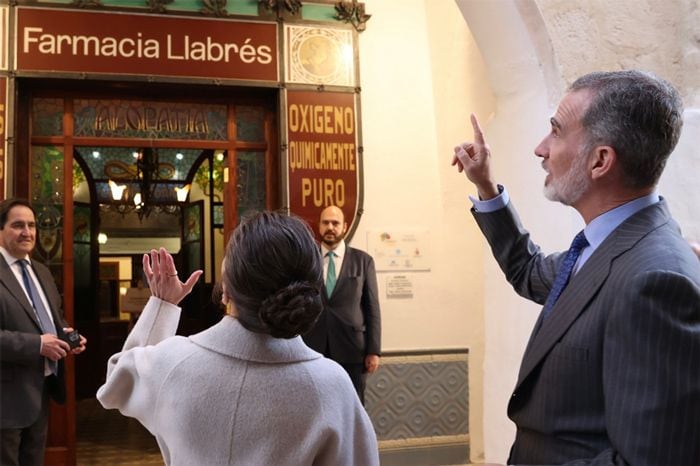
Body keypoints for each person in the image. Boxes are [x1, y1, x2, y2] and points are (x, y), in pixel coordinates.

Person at [452, 70, 700, 465]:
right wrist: (486, 186)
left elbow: (647, 459)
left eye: (555, 131)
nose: (540, 148)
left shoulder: (654, 280)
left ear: (600, 161)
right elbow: (527, 271)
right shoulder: (603, 246)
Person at [97, 212, 380, 466]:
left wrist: (162, 305)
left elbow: (116, 385)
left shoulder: (172, 363)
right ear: (309, 288)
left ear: (226, 288)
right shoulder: (330, 385)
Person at [0, 198, 87, 466]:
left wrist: (66, 336)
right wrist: (37, 345)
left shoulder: (42, 271)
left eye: (32, 225)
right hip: (5, 401)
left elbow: (50, 319)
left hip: (41, 393)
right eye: (17, 225)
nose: (27, 232)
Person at [302, 205, 381, 404]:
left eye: (335, 223)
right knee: (315, 404)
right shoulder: (306, 261)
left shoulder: (363, 261)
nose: (330, 227)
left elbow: (372, 309)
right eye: (326, 222)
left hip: (352, 349)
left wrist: (374, 350)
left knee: (351, 405)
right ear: (319, 226)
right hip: (313, 347)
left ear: (344, 227)